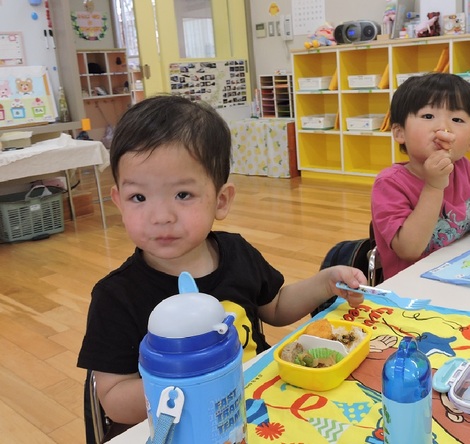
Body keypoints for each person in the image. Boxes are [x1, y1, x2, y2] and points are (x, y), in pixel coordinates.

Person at [77, 95, 366, 427]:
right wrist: (188, 381)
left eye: (182, 195)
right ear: (118, 201)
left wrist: (324, 282)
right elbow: (113, 399)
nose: (160, 216)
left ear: (221, 200)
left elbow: (276, 306)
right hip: (184, 428)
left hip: (260, 407)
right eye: (138, 197)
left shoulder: (236, 252)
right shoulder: (116, 296)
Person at [371, 72, 470, 279]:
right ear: (399, 133)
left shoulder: (462, 168)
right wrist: (434, 186)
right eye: (428, 116)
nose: (443, 128)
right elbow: (409, 249)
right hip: (412, 287)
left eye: (457, 119)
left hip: (462, 271)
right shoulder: (389, 183)